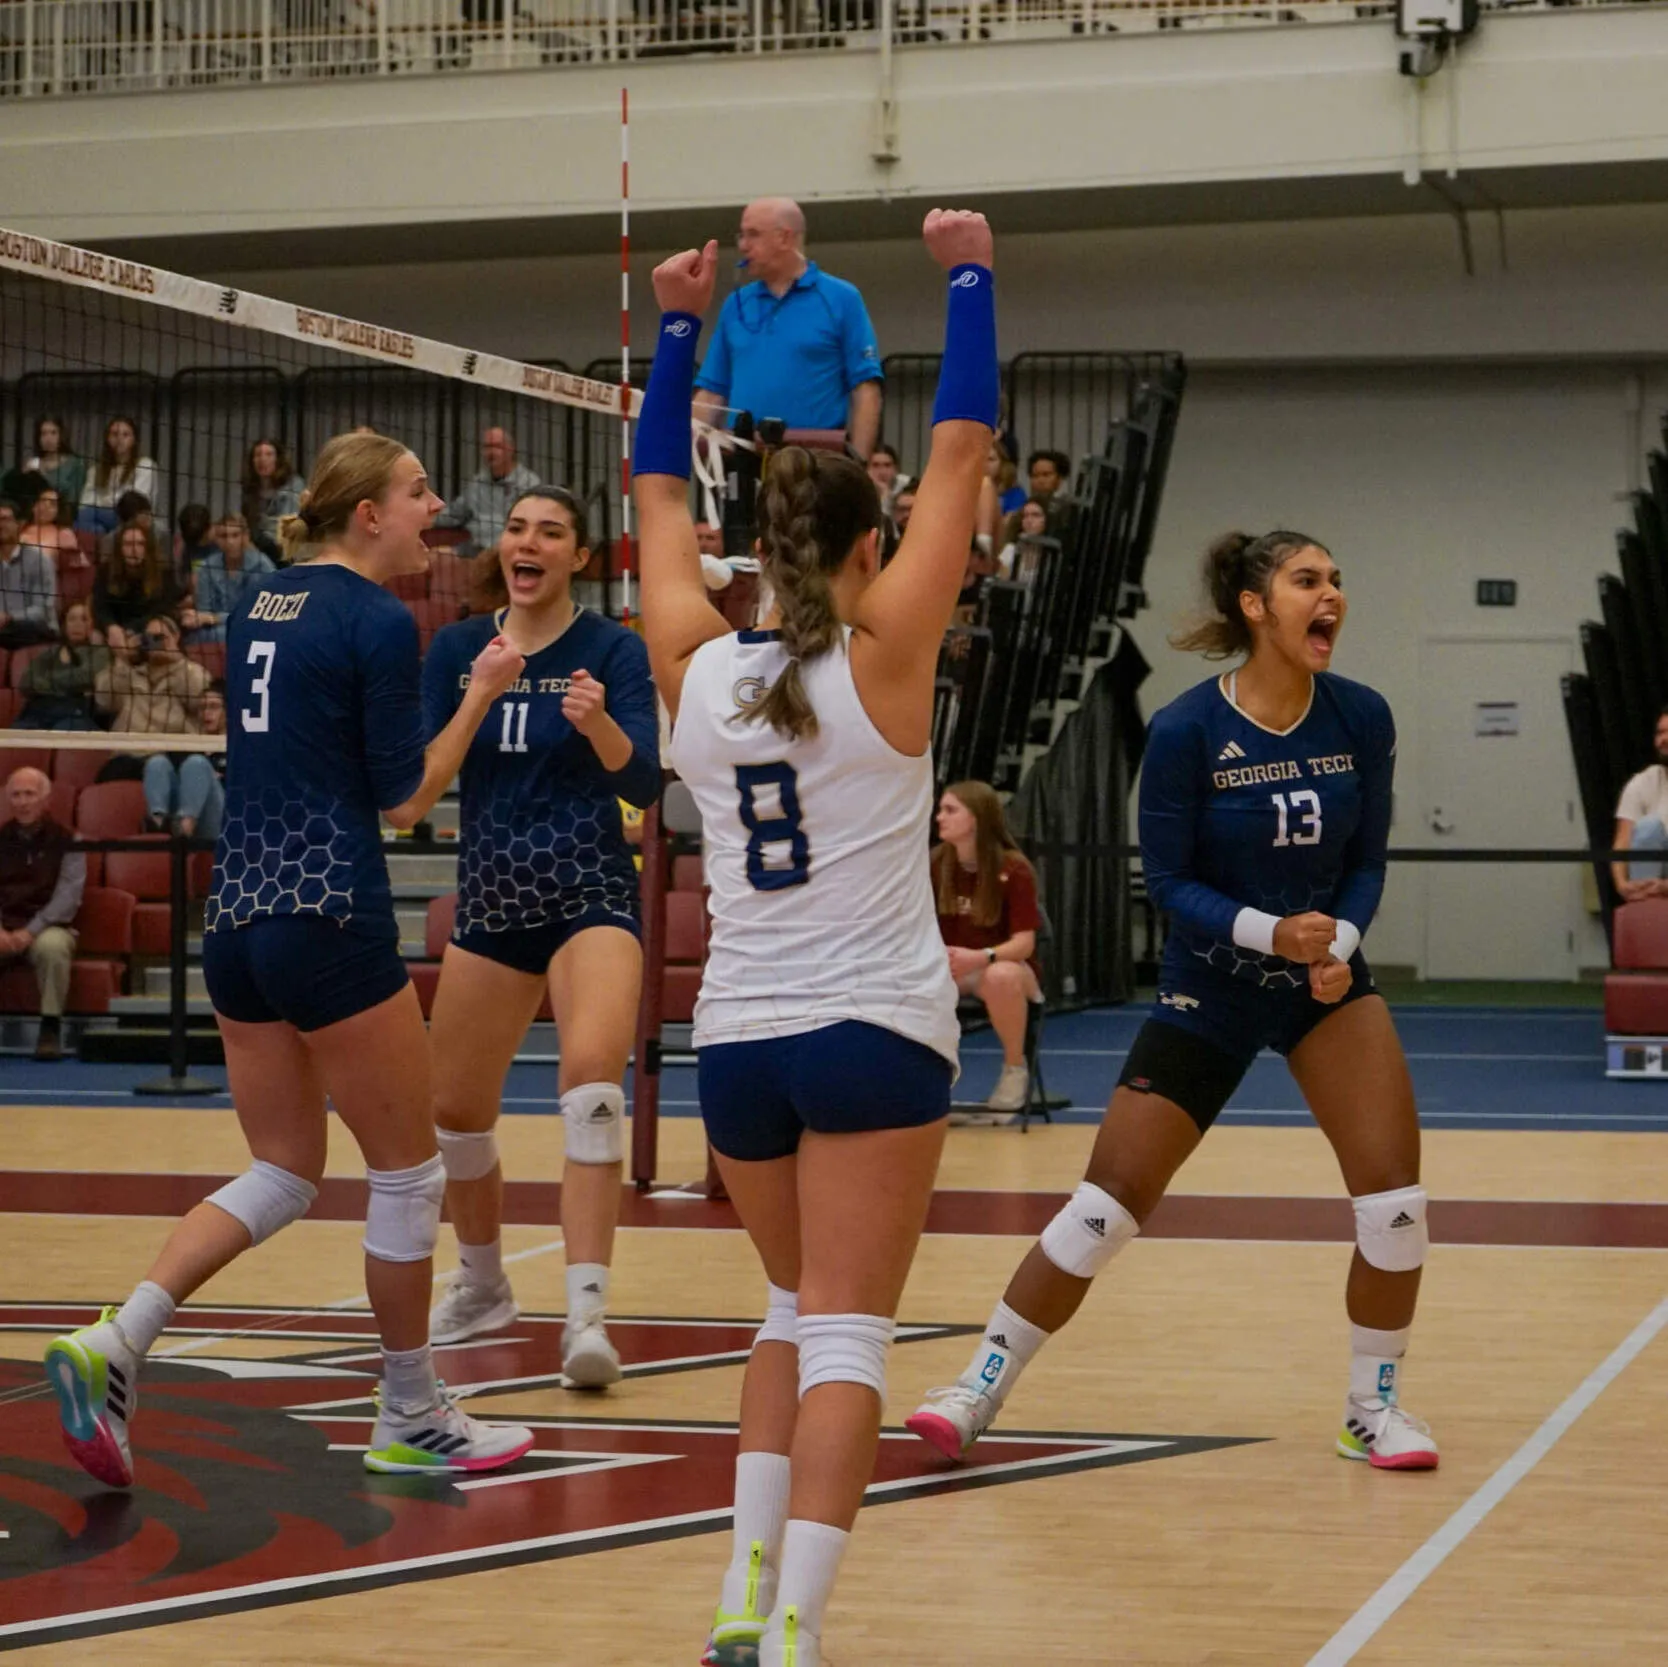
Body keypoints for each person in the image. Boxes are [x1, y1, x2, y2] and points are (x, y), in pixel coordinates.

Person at [638, 207, 997, 1667]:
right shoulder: (887, 655)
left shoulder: (696, 664)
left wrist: (677, 326)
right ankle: (792, 1623)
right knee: (852, 1328)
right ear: (866, 543)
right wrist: (969, 280)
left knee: (787, 1309)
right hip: (873, 1029)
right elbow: (964, 456)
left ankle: (736, 1585)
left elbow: (659, 495)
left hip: (737, 1046)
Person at [45, 432, 536, 1490]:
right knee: (408, 1172)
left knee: (282, 1169)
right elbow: (403, 800)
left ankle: (117, 1340)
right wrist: (484, 687)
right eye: (416, 492)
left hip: (236, 920)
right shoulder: (371, 616)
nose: (434, 506)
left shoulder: (263, 598)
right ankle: (410, 1408)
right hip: (326, 911)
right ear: (368, 514)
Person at [909, 528, 1439, 1476]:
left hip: (1327, 986)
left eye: (1337, 579)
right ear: (1254, 604)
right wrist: (1270, 935)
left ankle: (1373, 1408)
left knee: (1396, 1206)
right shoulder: (1190, 729)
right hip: (1214, 982)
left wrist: (1338, 948)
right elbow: (1168, 882)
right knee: (1104, 1208)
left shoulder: (1362, 716)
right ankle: (975, 1387)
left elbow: (1365, 864)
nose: (1332, 596)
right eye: (1307, 580)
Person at [421, 486, 660, 1383]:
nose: (528, 542)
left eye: (550, 532)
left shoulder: (611, 648)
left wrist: (597, 722)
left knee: (591, 1083)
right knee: (453, 1113)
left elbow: (645, 779)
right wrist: (481, 694)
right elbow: (421, 766)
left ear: (577, 557)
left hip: (590, 890)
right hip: (489, 897)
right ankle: (483, 1283)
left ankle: (588, 1318)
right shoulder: (454, 649)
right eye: (518, 528)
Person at [693, 197, 884, 460]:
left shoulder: (842, 298)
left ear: (785, 238)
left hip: (817, 463)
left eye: (753, 235)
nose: (742, 246)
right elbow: (712, 392)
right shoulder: (736, 304)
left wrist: (858, 467)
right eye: (741, 235)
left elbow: (866, 389)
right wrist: (685, 451)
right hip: (743, 460)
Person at [933, 780, 1042, 1120]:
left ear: (978, 818)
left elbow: (1024, 944)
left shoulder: (1014, 868)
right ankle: (924, 1084)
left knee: (1001, 976)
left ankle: (1014, 1068)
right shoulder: (934, 864)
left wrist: (980, 957)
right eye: (940, 809)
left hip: (1000, 965)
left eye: (950, 810)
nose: (939, 818)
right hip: (952, 968)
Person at [0, 765, 86, 1062]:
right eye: (16, 795)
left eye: (30, 794)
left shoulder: (69, 839)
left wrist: (29, 931)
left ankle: (49, 1029)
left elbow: (68, 898)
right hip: (3, 924)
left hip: (47, 925)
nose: (23, 802)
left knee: (53, 946)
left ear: (46, 800)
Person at [94, 612, 212, 735]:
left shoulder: (190, 671)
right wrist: (123, 658)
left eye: (160, 638)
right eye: (149, 638)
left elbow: (198, 702)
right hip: (132, 747)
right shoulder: (130, 673)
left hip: (173, 746)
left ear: (176, 636)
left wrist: (178, 660)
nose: (155, 644)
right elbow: (104, 701)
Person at [432, 427, 541, 557]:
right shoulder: (478, 482)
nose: (491, 453)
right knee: (437, 556)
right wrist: (424, 518)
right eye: (487, 447)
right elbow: (455, 514)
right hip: (474, 548)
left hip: (509, 550)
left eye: (497, 447)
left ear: (510, 449)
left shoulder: (528, 483)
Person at [142, 685, 227, 837]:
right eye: (202, 708)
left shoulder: (237, 749)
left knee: (197, 764)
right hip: (179, 815)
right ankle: (157, 826)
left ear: (228, 712)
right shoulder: (187, 746)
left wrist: (209, 778)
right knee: (157, 763)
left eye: (214, 707)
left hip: (221, 821)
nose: (206, 713)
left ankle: (183, 835)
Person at [91, 522, 183, 654]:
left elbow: (164, 609)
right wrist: (110, 626)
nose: (134, 550)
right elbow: (99, 606)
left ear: (147, 547)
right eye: (128, 544)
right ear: (119, 548)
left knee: (159, 633)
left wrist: (131, 630)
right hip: (116, 632)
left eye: (140, 544)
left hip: (149, 630)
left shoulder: (164, 572)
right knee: (95, 638)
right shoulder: (106, 570)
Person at [186, 513, 277, 644]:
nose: (230, 542)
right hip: (214, 631)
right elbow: (203, 612)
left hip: (253, 628)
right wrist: (208, 618)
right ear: (216, 538)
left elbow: (256, 615)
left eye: (235, 535)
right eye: (224, 536)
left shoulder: (262, 565)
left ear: (245, 537)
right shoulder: (207, 567)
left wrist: (215, 618)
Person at [18, 601, 108, 730]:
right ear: (64, 625)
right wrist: (68, 686)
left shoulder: (101, 652)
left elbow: (86, 677)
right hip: (35, 713)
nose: (77, 624)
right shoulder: (50, 653)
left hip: (75, 715)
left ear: (94, 625)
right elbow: (26, 682)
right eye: (71, 619)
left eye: (84, 619)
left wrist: (46, 682)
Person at [1610, 706, 1668, 901]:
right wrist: (1622, 886)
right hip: (1651, 886)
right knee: (1648, 827)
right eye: (1660, 733)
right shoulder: (1643, 782)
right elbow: (1622, 842)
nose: (1664, 739)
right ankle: (1645, 904)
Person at [77, 417, 158, 535]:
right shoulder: (96, 469)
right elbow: (85, 501)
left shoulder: (145, 465)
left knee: (87, 515)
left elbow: (136, 501)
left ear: (134, 440)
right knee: (85, 520)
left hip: (131, 517)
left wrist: (103, 503)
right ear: (107, 438)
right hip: (99, 517)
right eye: (114, 434)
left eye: (125, 435)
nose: (119, 439)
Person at [0, 498, 59, 648]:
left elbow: (43, 610)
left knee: (26, 627)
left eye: (5, 519)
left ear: (20, 524)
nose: (0, 525)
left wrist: (9, 618)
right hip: (4, 632)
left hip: (34, 631)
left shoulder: (39, 560)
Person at [241, 438, 306, 561]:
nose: (262, 459)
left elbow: (286, 522)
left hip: (285, 546)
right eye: (258, 455)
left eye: (269, 454)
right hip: (257, 546)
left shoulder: (293, 485)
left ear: (278, 459)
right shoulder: (251, 489)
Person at [23, 416, 87, 521]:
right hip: (34, 516)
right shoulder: (32, 464)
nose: (48, 438)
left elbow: (73, 500)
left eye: (53, 433)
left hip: (63, 517)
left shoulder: (75, 464)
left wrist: (42, 474)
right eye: (44, 434)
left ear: (61, 436)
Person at [20, 484, 82, 561]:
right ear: (34, 506)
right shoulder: (19, 526)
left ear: (58, 511)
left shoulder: (64, 533)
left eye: (52, 504)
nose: (46, 507)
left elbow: (77, 565)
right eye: (42, 501)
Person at [996, 495, 1049, 580]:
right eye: (1025, 516)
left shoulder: (1050, 556)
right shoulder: (1010, 550)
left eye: (1035, 515)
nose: (1029, 520)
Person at [866, 443, 910, 519]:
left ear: (896, 469)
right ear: (867, 469)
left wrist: (886, 495)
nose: (882, 472)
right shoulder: (860, 488)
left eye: (887, 465)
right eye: (875, 465)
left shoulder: (908, 485)